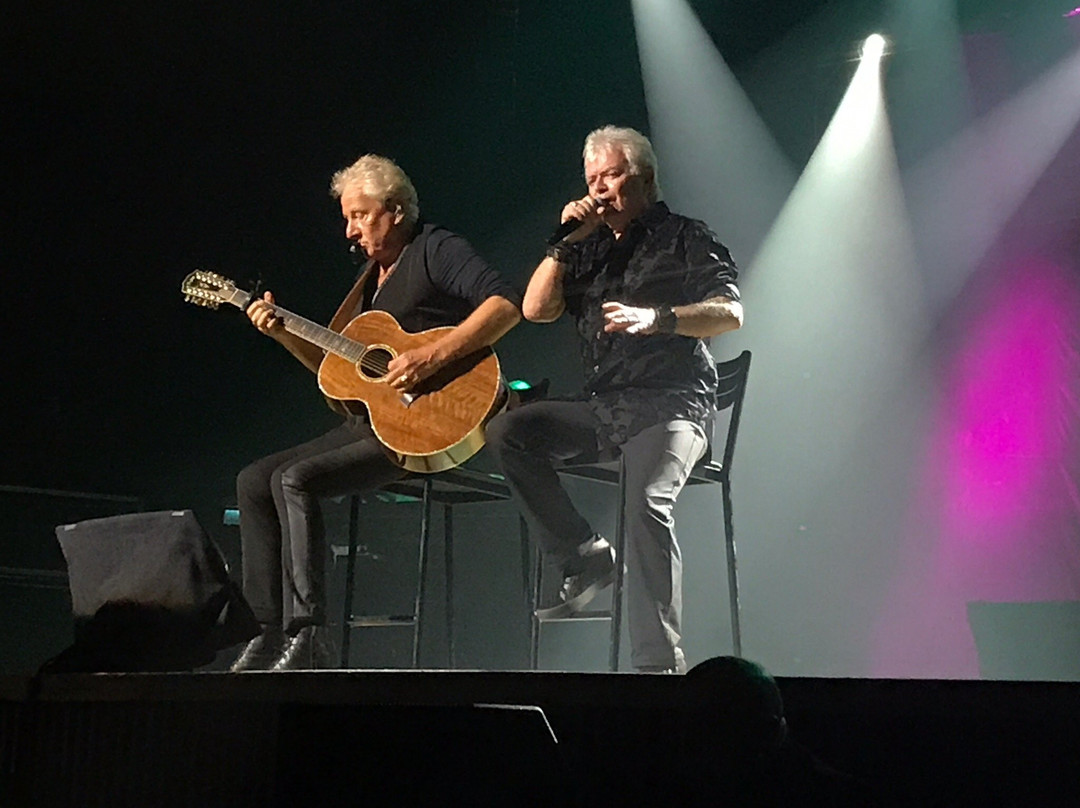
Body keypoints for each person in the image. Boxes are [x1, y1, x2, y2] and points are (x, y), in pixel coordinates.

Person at [231, 154, 520, 671]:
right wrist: (280, 333)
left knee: (294, 480)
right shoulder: (369, 282)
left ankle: (309, 636)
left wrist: (432, 355)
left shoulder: (436, 248)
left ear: (397, 209)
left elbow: (504, 304)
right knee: (255, 480)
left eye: (360, 215)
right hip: (372, 424)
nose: (350, 230)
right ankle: (266, 631)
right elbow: (334, 370)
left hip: (428, 423)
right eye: (347, 218)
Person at [486, 126, 743, 673]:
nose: (599, 190)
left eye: (611, 175)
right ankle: (586, 556)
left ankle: (657, 668)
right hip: (608, 406)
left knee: (644, 501)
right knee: (511, 432)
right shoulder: (593, 249)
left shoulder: (684, 236)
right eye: (591, 179)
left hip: (673, 405)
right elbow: (535, 310)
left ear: (644, 177)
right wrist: (563, 244)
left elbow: (731, 311)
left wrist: (659, 319)